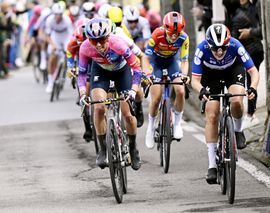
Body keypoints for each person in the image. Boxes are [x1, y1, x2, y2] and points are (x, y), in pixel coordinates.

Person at [191, 23, 259, 184]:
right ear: (209, 46)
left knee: (236, 101)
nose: (220, 52)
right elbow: (194, 80)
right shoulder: (201, 49)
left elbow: (253, 71)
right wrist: (201, 90)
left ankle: (237, 130)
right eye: (215, 49)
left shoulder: (235, 45)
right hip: (210, 75)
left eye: (223, 48)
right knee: (212, 114)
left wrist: (253, 88)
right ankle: (212, 166)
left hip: (232, 70)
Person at [78, 18, 142, 170]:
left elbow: (137, 68)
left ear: (108, 37)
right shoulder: (85, 47)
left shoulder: (118, 43)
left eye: (101, 40)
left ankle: (133, 148)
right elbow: (81, 74)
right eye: (94, 41)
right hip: (101, 72)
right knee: (99, 107)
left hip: (122, 72)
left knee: (127, 114)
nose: (98, 45)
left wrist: (133, 91)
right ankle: (102, 149)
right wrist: (82, 93)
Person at [143, 11, 189, 149]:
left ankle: (177, 123)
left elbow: (184, 60)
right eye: (171, 34)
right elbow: (145, 58)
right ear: (165, 29)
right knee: (156, 98)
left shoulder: (184, 38)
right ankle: (150, 128)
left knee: (180, 90)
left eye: (178, 33)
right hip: (156, 63)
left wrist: (184, 76)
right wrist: (147, 74)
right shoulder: (156, 34)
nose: (174, 37)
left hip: (172, 63)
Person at [109, 6, 145, 128]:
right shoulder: (104, 29)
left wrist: (142, 71)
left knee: (137, 89)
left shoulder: (122, 31)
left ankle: (138, 107)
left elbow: (136, 52)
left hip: (125, 60)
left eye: (118, 23)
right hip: (108, 64)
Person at [231, 0, 263, 127]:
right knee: (246, 82)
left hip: (254, 50)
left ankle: (251, 114)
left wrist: (249, 33)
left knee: (250, 82)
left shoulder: (256, 7)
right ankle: (249, 114)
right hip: (246, 50)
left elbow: (263, 28)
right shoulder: (238, 9)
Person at [44, 3, 73, 93]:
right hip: (55, 37)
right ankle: (50, 82)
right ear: (53, 14)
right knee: (52, 57)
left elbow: (71, 35)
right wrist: (53, 45)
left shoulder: (67, 20)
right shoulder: (49, 20)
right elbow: (47, 36)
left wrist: (68, 47)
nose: (58, 16)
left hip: (65, 37)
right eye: (56, 14)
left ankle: (64, 69)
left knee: (67, 52)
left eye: (60, 14)